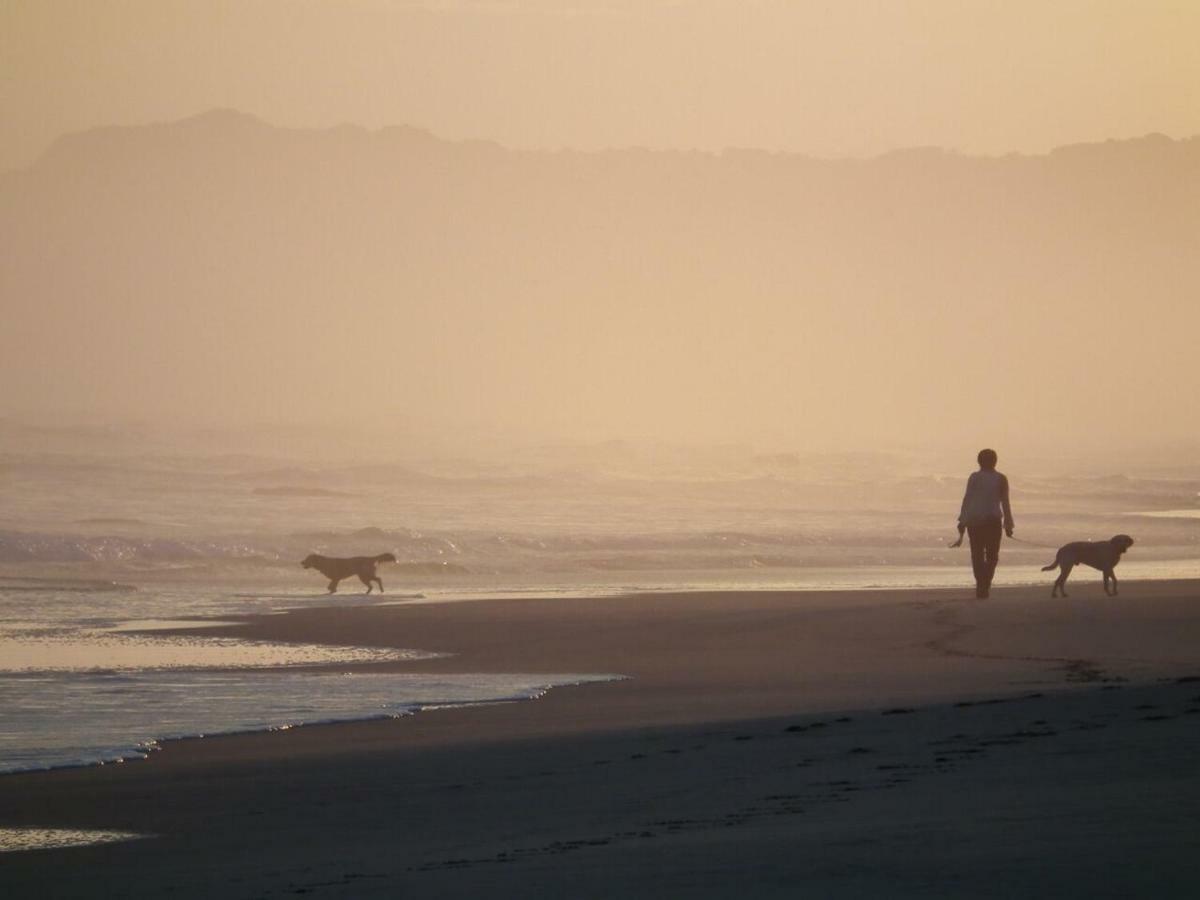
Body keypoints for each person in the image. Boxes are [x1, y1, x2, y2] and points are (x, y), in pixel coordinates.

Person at [950, 448, 1014, 599]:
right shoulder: (1001, 478)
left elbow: (967, 500)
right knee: (992, 556)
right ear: (995, 461)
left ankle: (981, 585)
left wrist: (962, 520)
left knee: (977, 555)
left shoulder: (974, 477)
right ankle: (985, 584)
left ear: (979, 461)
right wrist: (1009, 525)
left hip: (975, 521)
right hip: (993, 521)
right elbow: (1005, 503)